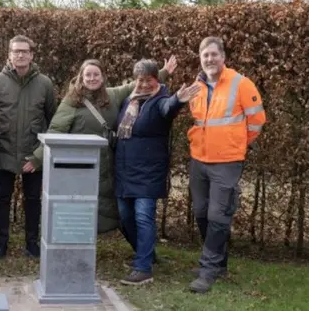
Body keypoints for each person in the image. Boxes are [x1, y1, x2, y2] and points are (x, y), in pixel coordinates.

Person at [30, 57, 177, 236]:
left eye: (96, 74)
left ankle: (144, 254)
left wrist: (164, 72)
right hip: (82, 167)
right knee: (85, 209)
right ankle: (81, 246)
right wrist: (37, 158)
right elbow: (56, 130)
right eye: (88, 75)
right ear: (81, 77)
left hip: (112, 164)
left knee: (122, 211)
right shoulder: (72, 101)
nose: (92, 78)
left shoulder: (112, 95)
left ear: (102, 76)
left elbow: (135, 84)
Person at [187, 36, 266, 294]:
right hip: (199, 159)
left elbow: (256, 121)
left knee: (218, 215)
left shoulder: (241, 83)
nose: (209, 59)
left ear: (223, 57)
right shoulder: (196, 87)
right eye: (205, 55)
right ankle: (219, 263)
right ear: (201, 59)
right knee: (200, 211)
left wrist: (239, 145)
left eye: (213, 54)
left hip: (227, 161)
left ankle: (208, 270)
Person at [113, 59, 201, 286]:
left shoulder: (160, 100)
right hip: (125, 171)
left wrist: (178, 101)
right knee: (125, 217)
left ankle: (143, 269)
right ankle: (146, 254)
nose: (142, 84)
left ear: (156, 80)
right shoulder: (130, 100)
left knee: (143, 217)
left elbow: (167, 108)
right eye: (139, 80)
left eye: (148, 80)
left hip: (148, 173)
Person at [0, 35, 57, 259]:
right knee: (0, 199)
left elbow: (53, 120)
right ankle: (0, 243)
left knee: (33, 200)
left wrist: (38, 156)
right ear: (9, 54)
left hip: (32, 153)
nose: (20, 55)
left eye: (25, 51)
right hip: (2, 152)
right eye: (16, 51)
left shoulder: (45, 84)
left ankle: (32, 243)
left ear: (32, 55)